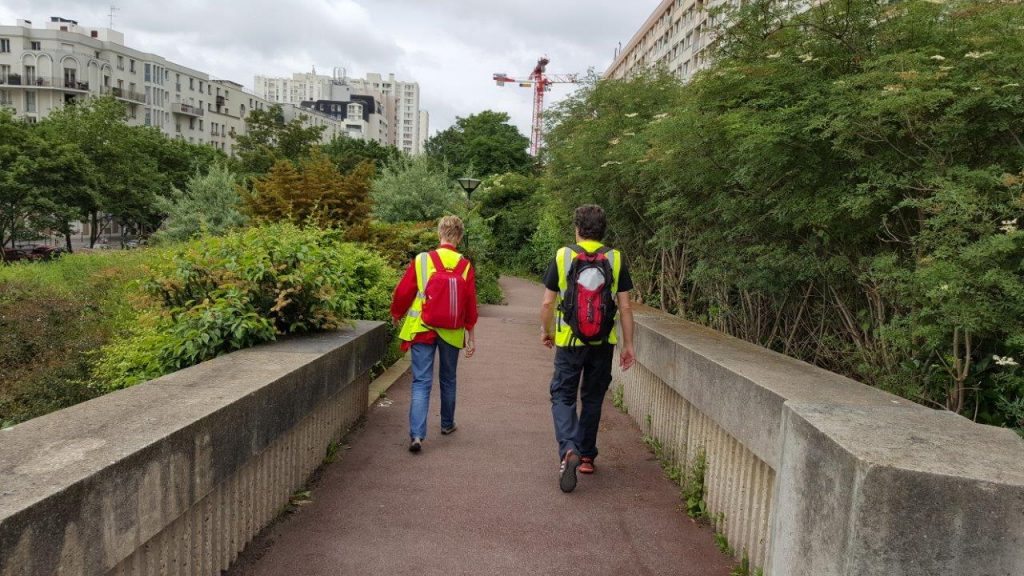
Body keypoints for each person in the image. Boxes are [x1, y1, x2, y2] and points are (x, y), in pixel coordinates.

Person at [540, 205, 636, 493]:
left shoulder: (563, 255)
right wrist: (628, 345)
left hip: (570, 341)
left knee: (562, 394)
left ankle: (568, 448)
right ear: (603, 229)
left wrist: (546, 331)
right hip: (602, 343)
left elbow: (547, 302)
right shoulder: (615, 258)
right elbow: (626, 306)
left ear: (577, 229)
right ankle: (586, 458)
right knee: (593, 398)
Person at [391, 215, 478, 453]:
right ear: (459, 237)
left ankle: (417, 435)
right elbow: (470, 302)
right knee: (448, 378)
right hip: (451, 330)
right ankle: (447, 424)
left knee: (421, 381)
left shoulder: (422, 260)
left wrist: (397, 312)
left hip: (422, 327)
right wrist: (470, 332)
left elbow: (404, 291)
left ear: (439, 233)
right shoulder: (465, 265)